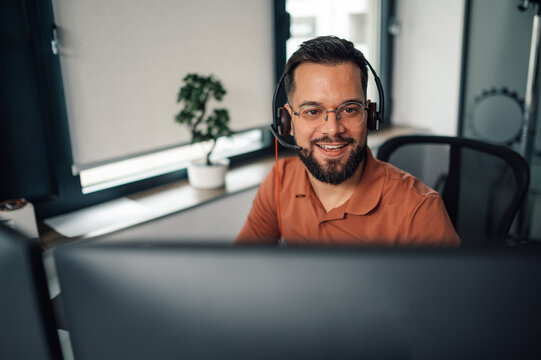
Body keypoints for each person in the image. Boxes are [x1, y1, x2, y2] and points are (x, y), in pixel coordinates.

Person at [235, 36, 459, 246]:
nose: (333, 129)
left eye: (350, 109)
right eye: (312, 111)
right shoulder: (280, 179)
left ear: (370, 115)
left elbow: (449, 289)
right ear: (287, 121)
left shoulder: (420, 211)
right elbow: (240, 268)